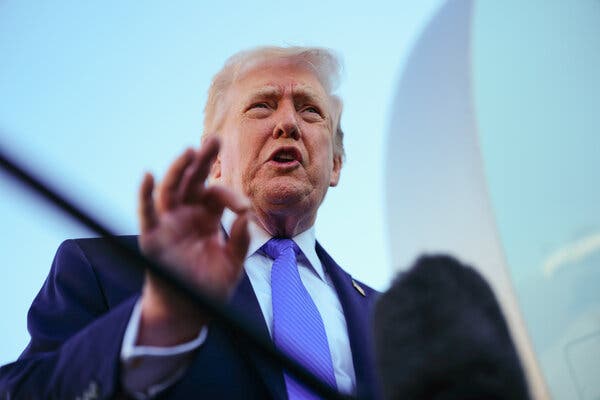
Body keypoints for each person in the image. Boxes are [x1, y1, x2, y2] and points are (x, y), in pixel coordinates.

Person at [0, 46, 379, 399]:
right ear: (215, 160)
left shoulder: (388, 317)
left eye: (310, 110)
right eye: (261, 106)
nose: (288, 123)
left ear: (335, 164)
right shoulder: (106, 271)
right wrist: (155, 326)